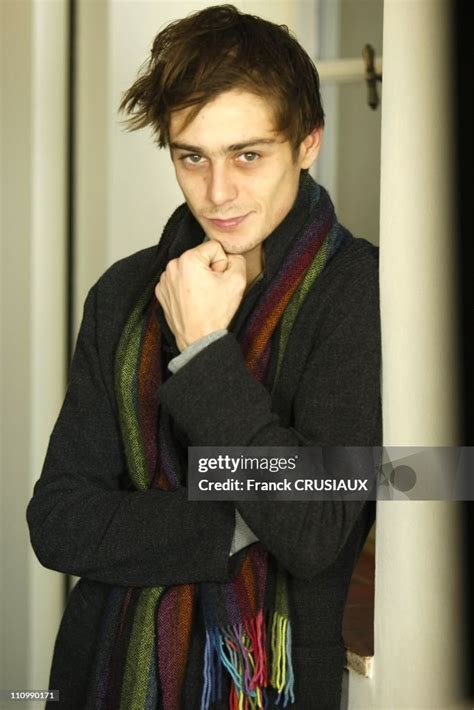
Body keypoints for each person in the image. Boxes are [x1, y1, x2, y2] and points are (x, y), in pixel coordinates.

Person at [26, 5, 381, 709]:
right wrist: (240, 521)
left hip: (271, 684)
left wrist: (206, 353)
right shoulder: (125, 293)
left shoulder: (360, 292)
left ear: (307, 143)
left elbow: (311, 533)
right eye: (193, 157)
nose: (218, 193)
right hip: (102, 670)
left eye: (248, 155)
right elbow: (59, 521)